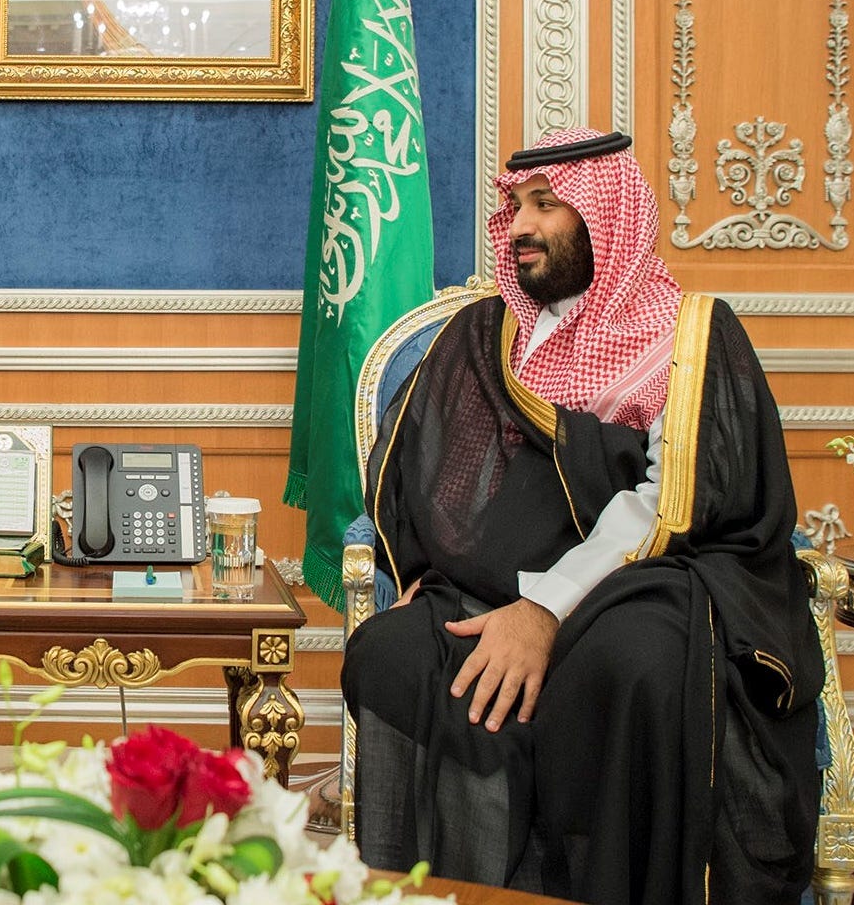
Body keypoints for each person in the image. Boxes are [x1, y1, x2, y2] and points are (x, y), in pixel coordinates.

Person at [342, 128, 822, 905]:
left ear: (606, 217)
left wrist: (545, 609)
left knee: (635, 664)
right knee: (394, 651)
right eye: (515, 209)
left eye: (546, 206)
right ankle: (434, 893)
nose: (520, 226)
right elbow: (436, 475)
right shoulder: (484, 335)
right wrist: (419, 569)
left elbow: (671, 502)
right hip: (483, 585)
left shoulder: (690, 337)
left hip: (644, 584)